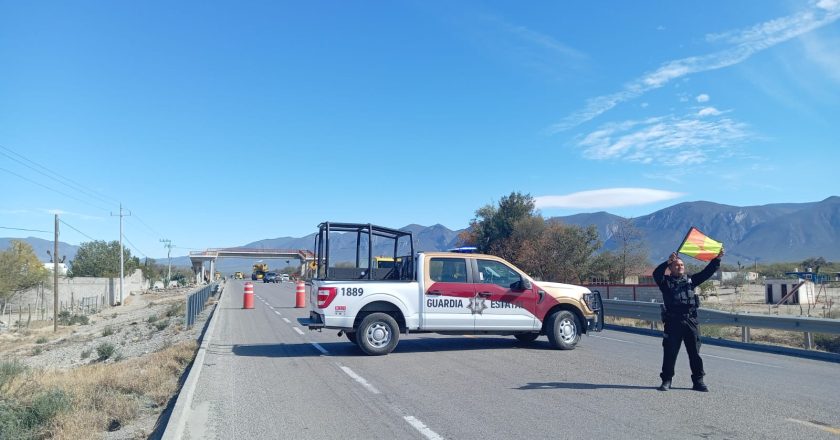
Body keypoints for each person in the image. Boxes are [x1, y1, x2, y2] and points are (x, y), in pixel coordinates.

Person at [653, 248, 723, 392]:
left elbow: (706, 273)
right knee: (670, 352)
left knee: (695, 353)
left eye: (682, 265)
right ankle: (667, 380)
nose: (680, 267)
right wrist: (667, 261)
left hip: (691, 321)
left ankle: (698, 381)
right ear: (671, 268)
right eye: (676, 265)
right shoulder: (665, 282)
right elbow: (656, 273)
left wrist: (716, 260)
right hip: (673, 322)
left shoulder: (690, 281)